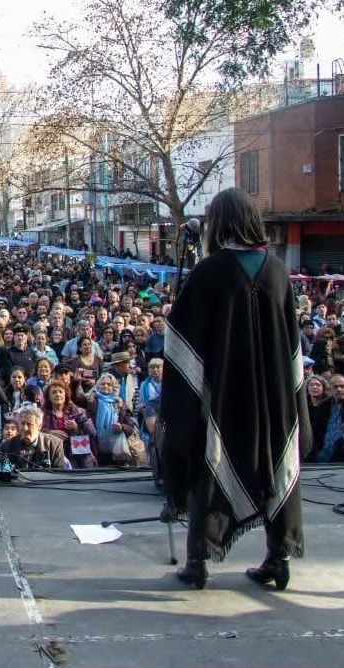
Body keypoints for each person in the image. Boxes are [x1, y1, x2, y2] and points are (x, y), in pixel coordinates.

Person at [162, 187, 309, 591]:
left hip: (224, 396)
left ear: (218, 224)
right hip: (273, 398)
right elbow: (292, 345)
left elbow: (181, 341)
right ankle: (278, 557)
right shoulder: (278, 271)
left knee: (207, 464)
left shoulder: (208, 273)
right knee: (276, 466)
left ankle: (198, 561)